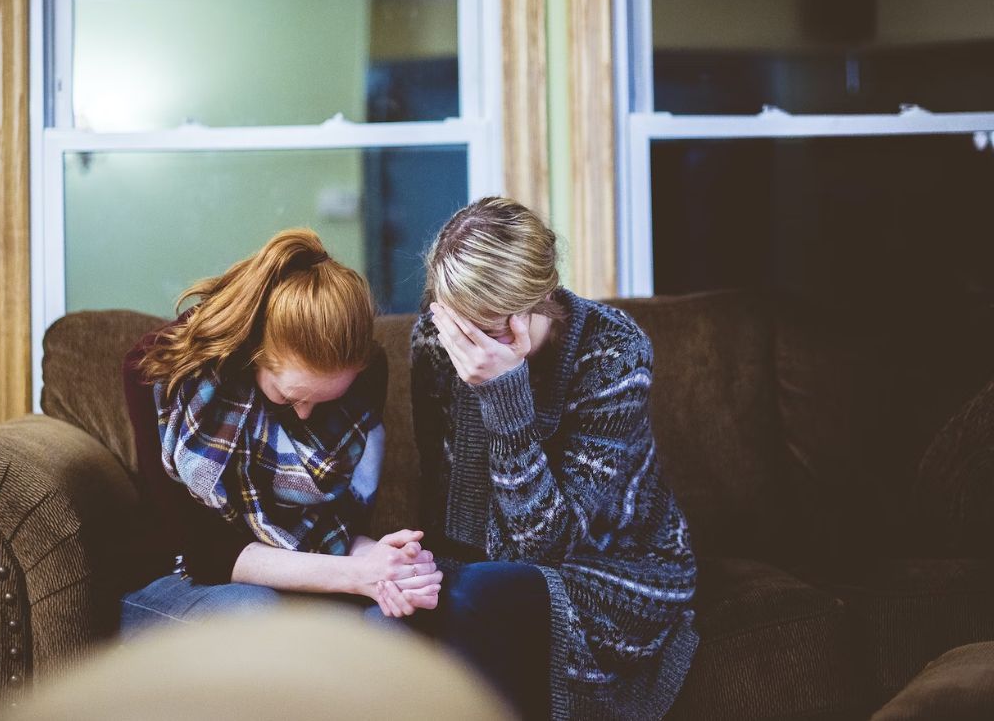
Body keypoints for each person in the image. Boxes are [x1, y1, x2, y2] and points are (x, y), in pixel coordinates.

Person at [410, 198, 698, 721]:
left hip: (614, 568)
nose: (466, 345)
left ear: (539, 300)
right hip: (488, 567)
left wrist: (505, 394)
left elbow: (547, 547)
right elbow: (446, 500)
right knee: (408, 604)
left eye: (487, 329)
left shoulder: (613, 351)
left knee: (481, 594)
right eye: (457, 323)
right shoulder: (435, 341)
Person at [121, 229, 442, 633]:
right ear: (252, 353)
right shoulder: (160, 373)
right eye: (290, 397)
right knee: (257, 613)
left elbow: (339, 528)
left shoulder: (364, 377)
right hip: (178, 578)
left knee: (394, 623)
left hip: (301, 574)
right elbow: (205, 552)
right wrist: (358, 575)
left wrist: (386, 562)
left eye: (323, 401)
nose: (306, 416)